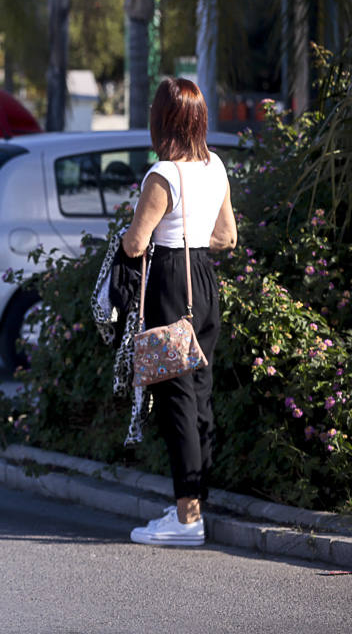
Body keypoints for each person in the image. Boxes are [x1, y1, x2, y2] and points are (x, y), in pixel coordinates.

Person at [122, 77, 236, 547]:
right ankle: (194, 503)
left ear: (163, 120)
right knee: (200, 393)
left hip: (171, 283)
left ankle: (187, 520)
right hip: (204, 283)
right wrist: (193, 242)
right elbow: (227, 237)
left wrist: (166, 243)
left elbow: (135, 242)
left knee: (176, 401)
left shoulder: (162, 175)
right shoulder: (216, 167)